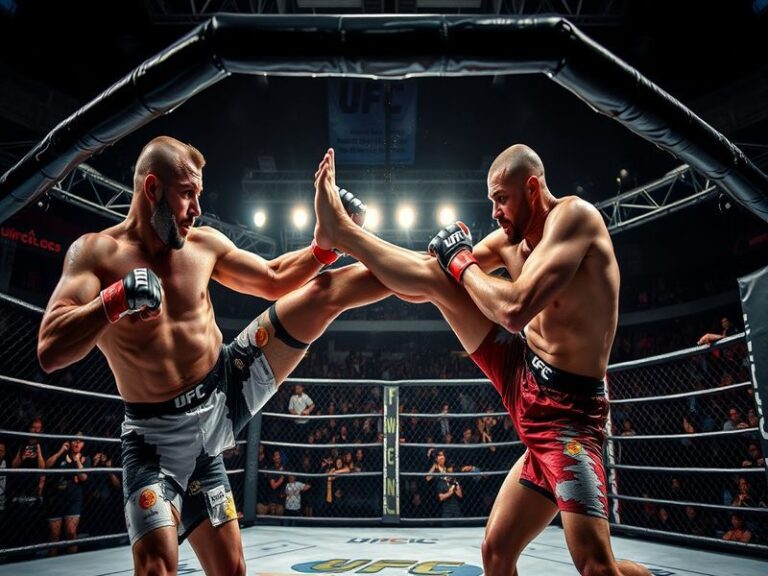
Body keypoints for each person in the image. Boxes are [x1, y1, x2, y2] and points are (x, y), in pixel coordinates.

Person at [36, 136, 392, 575]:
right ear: (153, 189)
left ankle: (435, 267)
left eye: (198, 194)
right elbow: (50, 349)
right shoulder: (95, 254)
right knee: (158, 568)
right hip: (154, 441)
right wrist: (115, 300)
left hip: (225, 387)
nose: (197, 209)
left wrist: (322, 250)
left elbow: (274, 277)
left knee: (324, 292)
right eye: (187, 194)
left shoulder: (203, 245)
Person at [313, 145, 650, 576]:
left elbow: (514, 309)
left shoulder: (575, 219)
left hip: (569, 416)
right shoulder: (509, 242)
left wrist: (461, 262)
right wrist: (361, 248)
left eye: (502, 199)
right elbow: (429, 273)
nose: (494, 212)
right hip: (522, 372)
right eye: (492, 200)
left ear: (533, 188)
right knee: (496, 552)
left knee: (598, 567)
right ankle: (341, 235)